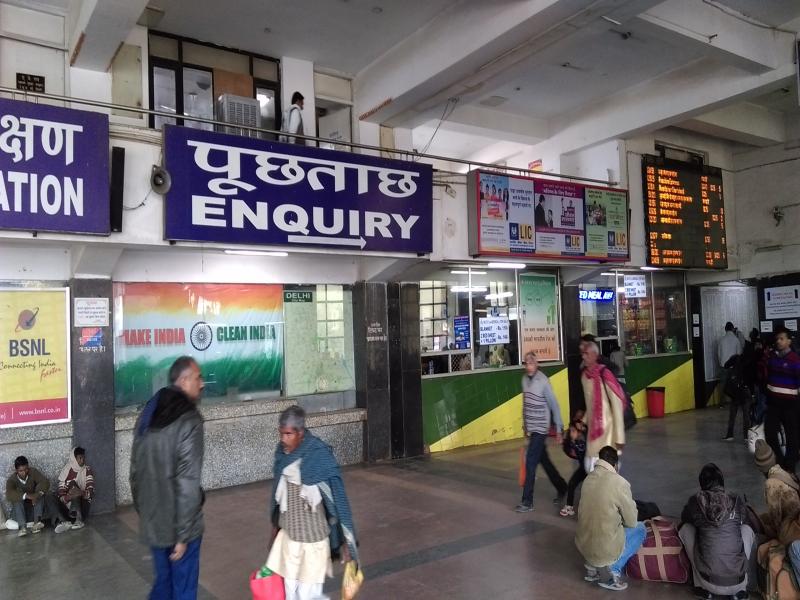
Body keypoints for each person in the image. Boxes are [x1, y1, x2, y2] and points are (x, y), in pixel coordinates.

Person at [130, 356, 205, 600]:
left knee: (163, 585)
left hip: (154, 522)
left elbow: (135, 472)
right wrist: (182, 536)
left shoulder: (148, 413)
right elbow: (187, 483)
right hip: (179, 528)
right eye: (198, 378)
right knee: (182, 589)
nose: (201, 384)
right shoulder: (189, 420)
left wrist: (147, 514)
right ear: (183, 380)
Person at [267, 405, 359, 600]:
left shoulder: (318, 454)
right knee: (289, 593)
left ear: (300, 433)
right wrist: (275, 529)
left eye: (288, 434)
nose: (283, 439)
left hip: (314, 542)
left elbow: (339, 500)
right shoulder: (281, 453)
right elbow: (277, 497)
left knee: (308, 595)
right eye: (281, 434)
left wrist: (347, 543)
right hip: (289, 539)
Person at [575, 445, 645, 592]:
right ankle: (613, 569)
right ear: (615, 464)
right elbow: (631, 521)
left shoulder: (588, 479)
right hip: (604, 548)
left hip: (584, 546)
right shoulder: (619, 482)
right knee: (640, 529)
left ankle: (591, 565)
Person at [678, 463, 752, 600]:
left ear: (702, 484)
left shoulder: (695, 501)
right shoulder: (736, 500)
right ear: (722, 482)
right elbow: (746, 520)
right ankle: (741, 590)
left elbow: (685, 519)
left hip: (708, 581)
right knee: (746, 529)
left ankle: (701, 587)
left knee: (686, 529)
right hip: (738, 581)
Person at [515, 352, 567, 513]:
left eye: (532, 362)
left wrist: (559, 428)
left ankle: (527, 501)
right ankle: (562, 486)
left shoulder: (543, 381)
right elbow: (525, 403)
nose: (529, 365)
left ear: (536, 364)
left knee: (530, 462)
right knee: (544, 461)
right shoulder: (524, 380)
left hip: (541, 428)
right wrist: (525, 425)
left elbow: (554, 405)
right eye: (526, 362)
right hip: (531, 427)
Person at [581, 342, 626, 473]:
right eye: (582, 354)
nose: (583, 357)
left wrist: (620, 437)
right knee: (590, 467)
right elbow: (589, 404)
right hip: (592, 433)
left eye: (586, 354)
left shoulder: (605, 374)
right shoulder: (584, 377)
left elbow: (617, 406)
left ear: (595, 355)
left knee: (607, 470)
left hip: (608, 431)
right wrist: (582, 422)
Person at [764, 327, 800, 472]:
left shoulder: (795, 360)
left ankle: (790, 465)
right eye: (777, 339)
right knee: (770, 432)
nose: (778, 341)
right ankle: (780, 460)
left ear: (789, 341)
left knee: (793, 434)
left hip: (790, 404)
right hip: (774, 404)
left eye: (782, 339)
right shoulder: (773, 358)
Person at [754, 439, 800, 545]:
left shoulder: (771, 484)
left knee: (759, 527)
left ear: (760, 468)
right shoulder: (781, 471)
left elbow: (776, 518)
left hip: (791, 527)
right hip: (795, 519)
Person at [5, 456, 49, 537]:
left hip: (34, 510)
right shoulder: (12, 480)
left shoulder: (33, 472)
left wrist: (36, 494)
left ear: (28, 467)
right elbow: (9, 495)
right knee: (17, 499)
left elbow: (45, 482)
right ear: (16, 471)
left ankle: (37, 523)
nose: (24, 473)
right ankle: (22, 528)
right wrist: (27, 496)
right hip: (21, 513)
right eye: (21, 471)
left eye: (26, 469)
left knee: (41, 494)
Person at [54, 446, 95, 533]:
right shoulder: (66, 470)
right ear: (74, 458)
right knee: (50, 496)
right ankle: (63, 521)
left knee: (73, 485)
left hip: (83, 506)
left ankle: (78, 519)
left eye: (83, 457)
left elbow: (91, 493)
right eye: (80, 458)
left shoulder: (87, 470)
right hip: (67, 505)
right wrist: (69, 497)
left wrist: (80, 493)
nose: (82, 460)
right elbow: (61, 494)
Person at [560, 409, 588, 517]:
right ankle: (569, 507)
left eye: (573, 431)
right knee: (572, 483)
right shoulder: (573, 441)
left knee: (589, 488)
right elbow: (568, 449)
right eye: (570, 431)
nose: (571, 433)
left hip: (591, 469)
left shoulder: (585, 440)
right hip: (583, 468)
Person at [718, 322, 743, 404]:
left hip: (723, 365)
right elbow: (739, 353)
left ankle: (721, 403)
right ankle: (735, 401)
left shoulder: (721, 340)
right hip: (733, 367)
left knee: (722, 384)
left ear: (725, 329)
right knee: (735, 383)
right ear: (732, 329)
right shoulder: (736, 340)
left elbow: (719, 354)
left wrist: (721, 363)